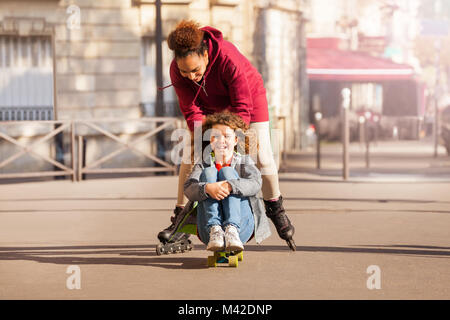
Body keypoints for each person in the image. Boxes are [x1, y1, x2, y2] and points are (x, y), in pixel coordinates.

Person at [158, 20, 295, 249]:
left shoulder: (227, 57)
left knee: (262, 155)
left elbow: (242, 107)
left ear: (205, 55)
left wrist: (231, 139)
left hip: (248, 101)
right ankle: (181, 217)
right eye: (185, 71)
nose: (190, 76)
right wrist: (204, 140)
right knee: (189, 156)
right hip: (207, 106)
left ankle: (275, 206)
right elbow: (191, 109)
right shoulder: (176, 71)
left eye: (195, 70)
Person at [183, 112, 271, 250]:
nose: (221, 140)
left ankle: (232, 229)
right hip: (208, 231)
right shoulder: (203, 164)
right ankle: (215, 228)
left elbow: (256, 183)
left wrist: (230, 185)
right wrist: (207, 188)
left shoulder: (244, 162)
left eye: (227, 136)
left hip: (242, 228)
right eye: (216, 136)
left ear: (236, 140)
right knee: (209, 172)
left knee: (227, 172)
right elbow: (188, 188)